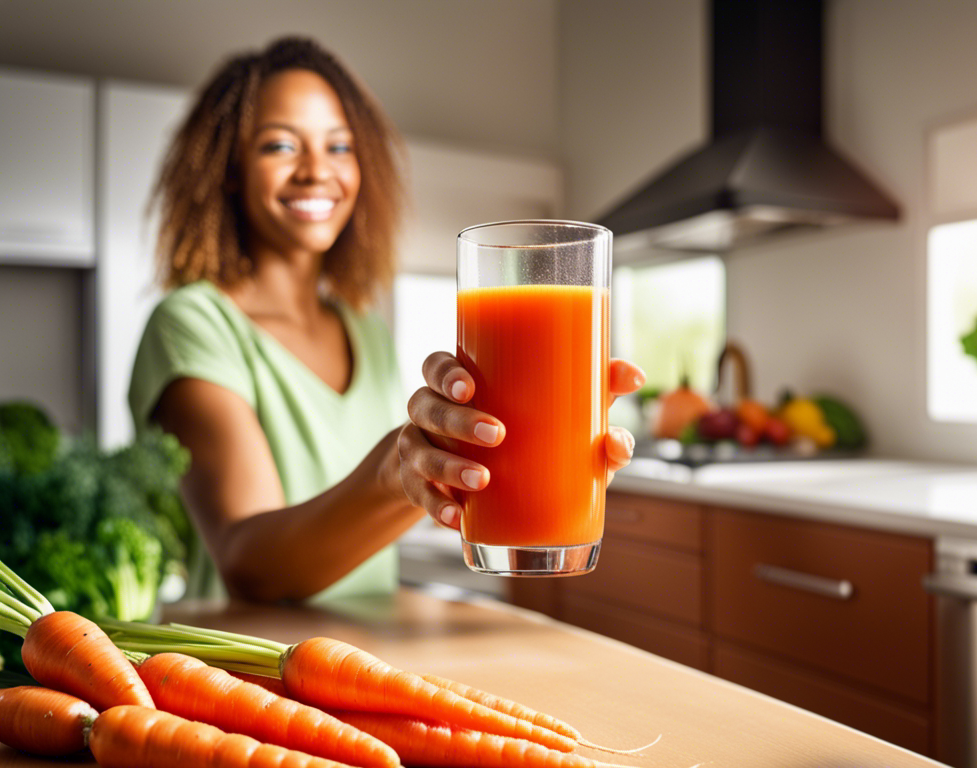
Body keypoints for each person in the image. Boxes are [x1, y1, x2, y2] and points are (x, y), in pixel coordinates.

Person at [128, 36, 643, 604]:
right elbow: (247, 564)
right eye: (279, 146)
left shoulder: (364, 330)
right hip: (245, 676)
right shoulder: (193, 323)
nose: (315, 171)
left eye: (340, 147)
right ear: (229, 169)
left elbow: (404, 503)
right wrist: (392, 474)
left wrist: (539, 456)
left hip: (367, 659)